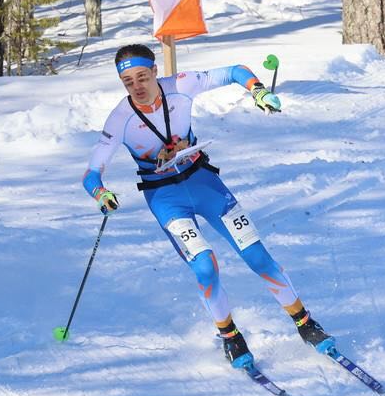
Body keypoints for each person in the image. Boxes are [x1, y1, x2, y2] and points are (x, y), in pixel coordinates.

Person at [81, 43, 333, 369]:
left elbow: (234, 71)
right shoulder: (120, 119)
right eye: (128, 82)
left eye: (142, 77)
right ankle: (229, 335)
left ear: (156, 71)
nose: (137, 87)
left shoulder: (181, 85)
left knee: (257, 256)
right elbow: (91, 173)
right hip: (166, 198)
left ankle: (304, 322)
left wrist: (257, 92)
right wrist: (101, 193)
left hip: (204, 184)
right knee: (205, 266)